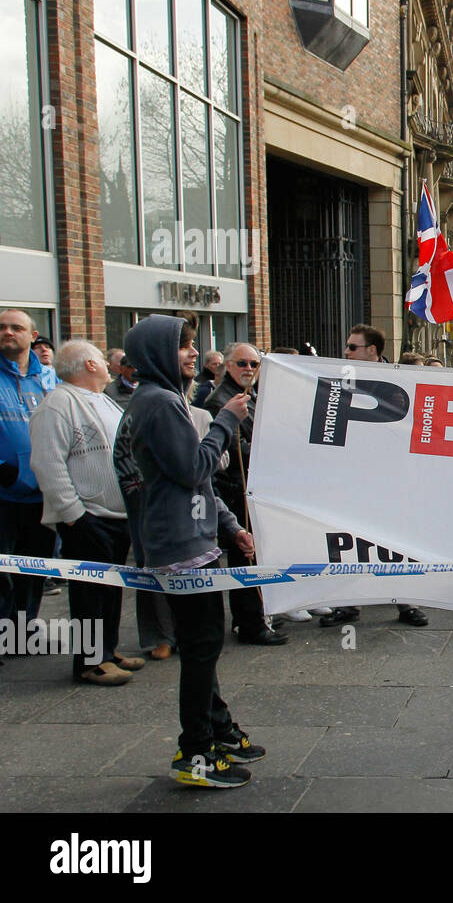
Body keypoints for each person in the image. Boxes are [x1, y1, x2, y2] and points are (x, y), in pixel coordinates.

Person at [115, 314, 264, 787]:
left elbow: (195, 482)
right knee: (201, 648)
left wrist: (228, 526)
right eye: (182, 346)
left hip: (193, 540)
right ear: (157, 354)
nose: (194, 353)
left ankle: (217, 729)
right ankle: (195, 752)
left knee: (205, 645)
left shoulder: (163, 400)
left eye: (193, 344)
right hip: (180, 549)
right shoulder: (158, 403)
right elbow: (193, 465)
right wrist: (224, 421)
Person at [29, 340, 144, 685]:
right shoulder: (58, 405)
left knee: (110, 590)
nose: (111, 364)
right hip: (88, 517)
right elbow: (48, 465)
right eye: (102, 359)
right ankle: (90, 661)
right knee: (89, 593)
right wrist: (74, 515)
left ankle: (107, 651)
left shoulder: (103, 400)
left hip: (114, 516)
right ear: (90, 365)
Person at [319, 326, 428, 629]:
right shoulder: (340, 380)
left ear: (372, 350)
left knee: (396, 542)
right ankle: (349, 602)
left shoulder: (398, 382)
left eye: (353, 347)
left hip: (392, 479)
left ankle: (406, 602)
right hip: (352, 478)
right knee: (350, 540)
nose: (346, 352)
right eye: (348, 346)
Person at [205, 343, 289, 645]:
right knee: (245, 557)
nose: (249, 370)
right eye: (242, 364)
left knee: (254, 554)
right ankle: (250, 623)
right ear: (228, 366)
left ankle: (255, 616)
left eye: (255, 365)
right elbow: (234, 447)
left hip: (253, 487)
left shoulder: (249, 396)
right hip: (235, 489)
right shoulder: (223, 401)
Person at [0, 309, 59, 651]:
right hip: (4, 495)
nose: (8, 332)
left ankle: (21, 635)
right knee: (3, 572)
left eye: (16, 327)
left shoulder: (49, 379)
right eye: (2, 327)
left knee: (33, 570)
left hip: (41, 495)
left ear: (33, 335)